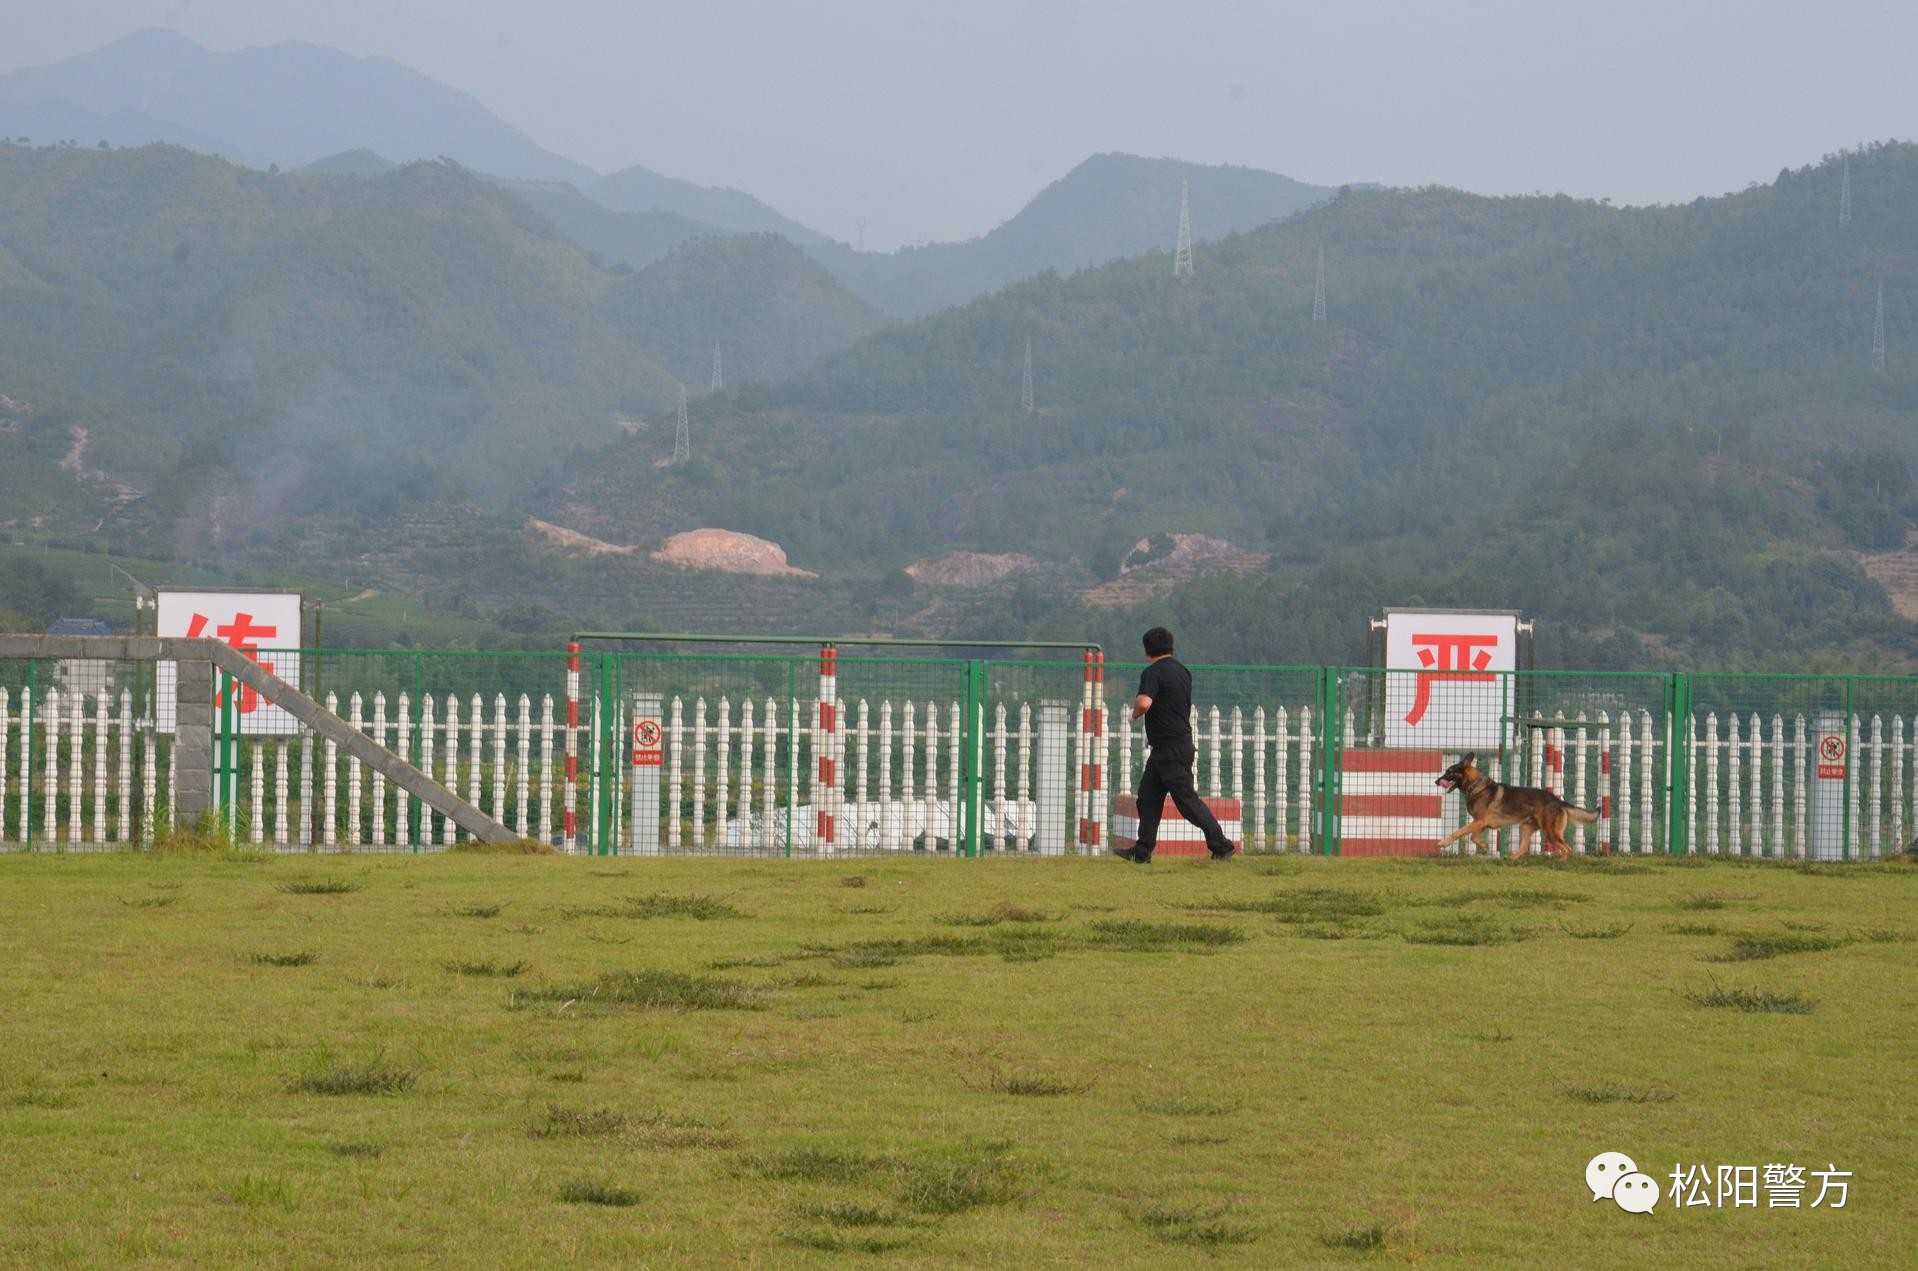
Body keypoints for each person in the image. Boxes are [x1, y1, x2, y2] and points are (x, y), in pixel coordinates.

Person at [1114, 626, 1237, 863]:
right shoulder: (1182, 671)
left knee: (1187, 802)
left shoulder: (1153, 673)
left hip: (1169, 751)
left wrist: (1134, 714)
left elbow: (1144, 703)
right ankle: (1141, 852)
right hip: (1171, 747)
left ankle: (1222, 845)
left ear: (1147, 650)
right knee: (1147, 798)